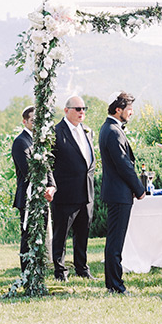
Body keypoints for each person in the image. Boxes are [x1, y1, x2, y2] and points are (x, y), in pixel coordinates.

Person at [98, 92, 145, 294]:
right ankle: (115, 286)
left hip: (117, 192)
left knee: (114, 241)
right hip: (119, 193)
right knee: (115, 243)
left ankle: (113, 283)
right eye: (129, 109)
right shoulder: (113, 131)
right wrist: (139, 189)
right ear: (118, 110)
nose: (131, 113)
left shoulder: (109, 128)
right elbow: (124, 165)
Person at [51, 95, 95, 280]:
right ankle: (60, 271)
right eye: (78, 109)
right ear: (66, 110)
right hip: (65, 193)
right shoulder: (56, 132)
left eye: (84, 108)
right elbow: (49, 164)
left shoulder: (87, 131)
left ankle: (82, 268)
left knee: (83, 233)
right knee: (61, 235)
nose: (81, 112)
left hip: (86, 192)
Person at [11, 106, 55, 272]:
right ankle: (27, 272)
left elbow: (47, 166)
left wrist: (52, 186)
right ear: (25, 121)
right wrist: (43, 187)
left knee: (40, 235)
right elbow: (29, 171)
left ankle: (38, 269)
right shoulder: (20, 142)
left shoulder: (39, 141)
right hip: (28, 196)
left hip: (42, 195)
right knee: (28, 236)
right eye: (32, 121)